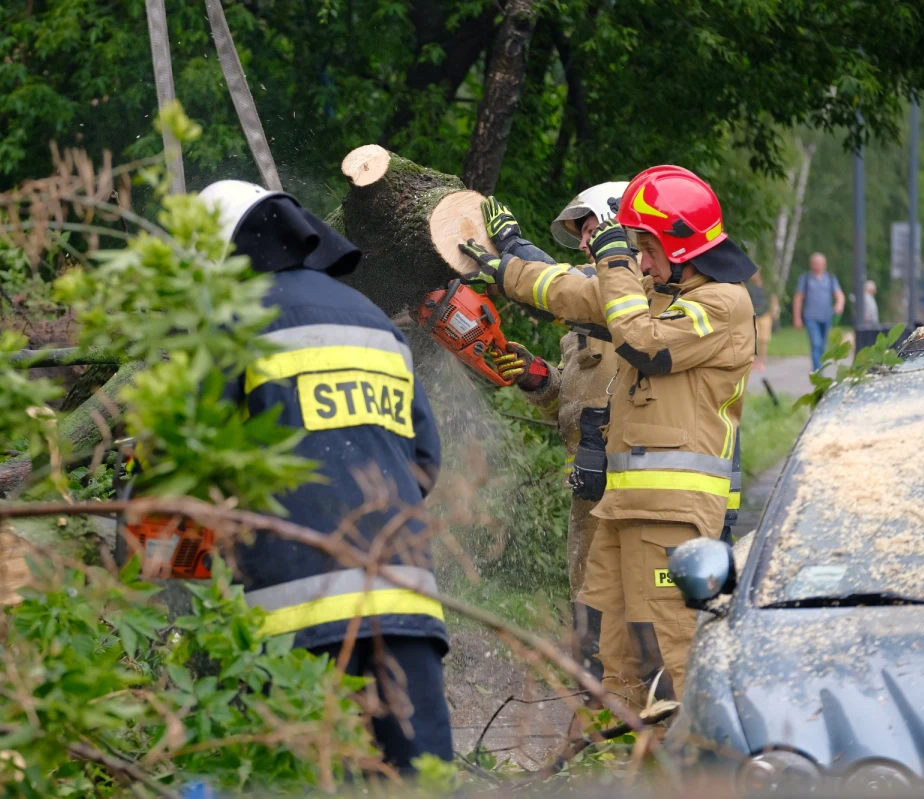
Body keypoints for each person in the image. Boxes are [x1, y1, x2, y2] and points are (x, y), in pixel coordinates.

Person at [460, 165, 756, 706]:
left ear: (680, 245)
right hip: (623, 504)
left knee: (670, 653)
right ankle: (613, 740)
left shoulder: (722, 304)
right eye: (635, 250)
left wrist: (616, 260)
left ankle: (689, 750)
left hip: (671, 510)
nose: (641, 261)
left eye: (648, 248)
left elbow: (644, 344)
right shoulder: (655, 291)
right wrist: (506, 270)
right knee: (608, 654)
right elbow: (572, 290)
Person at [197, 180, 452, 774]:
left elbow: (196, 460)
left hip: (294, 609)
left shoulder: (233, 324)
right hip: (402, 597)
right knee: (420, 780)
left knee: (305, 778)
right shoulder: (374, 322)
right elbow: (424, 460)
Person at [483, 185, 623, 603]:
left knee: (638, 613)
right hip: (591, 487)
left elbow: (565, 289)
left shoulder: (640, 297)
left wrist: (512, 248)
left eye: (590, 231)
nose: (582, 245)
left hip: (635, 489)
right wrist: (538, 379)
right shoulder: (583, 326)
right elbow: (571, 406)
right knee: (591, 607)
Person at [792, 252, 844, 371]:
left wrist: (839, 304)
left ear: (825, 264)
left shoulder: (830, 278)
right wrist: (797, 318)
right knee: (816, 343)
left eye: (820, 263)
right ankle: (817, 371)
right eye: (815, 263)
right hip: (811, 317)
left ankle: (820, 368)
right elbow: (798, 298)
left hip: (827, 317)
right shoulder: (806, 279)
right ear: (811, 264)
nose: (818, 265)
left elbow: (840, 295)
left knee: (822, 345)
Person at [747, 271, 772, 371]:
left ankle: (761, 362)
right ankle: (754, 361)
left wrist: (772, 312)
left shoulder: (766, 287)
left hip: (765, 315)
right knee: (753, 339)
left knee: (764, 340)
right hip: (754, 316)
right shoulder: (749, 287)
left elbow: (772, 299)